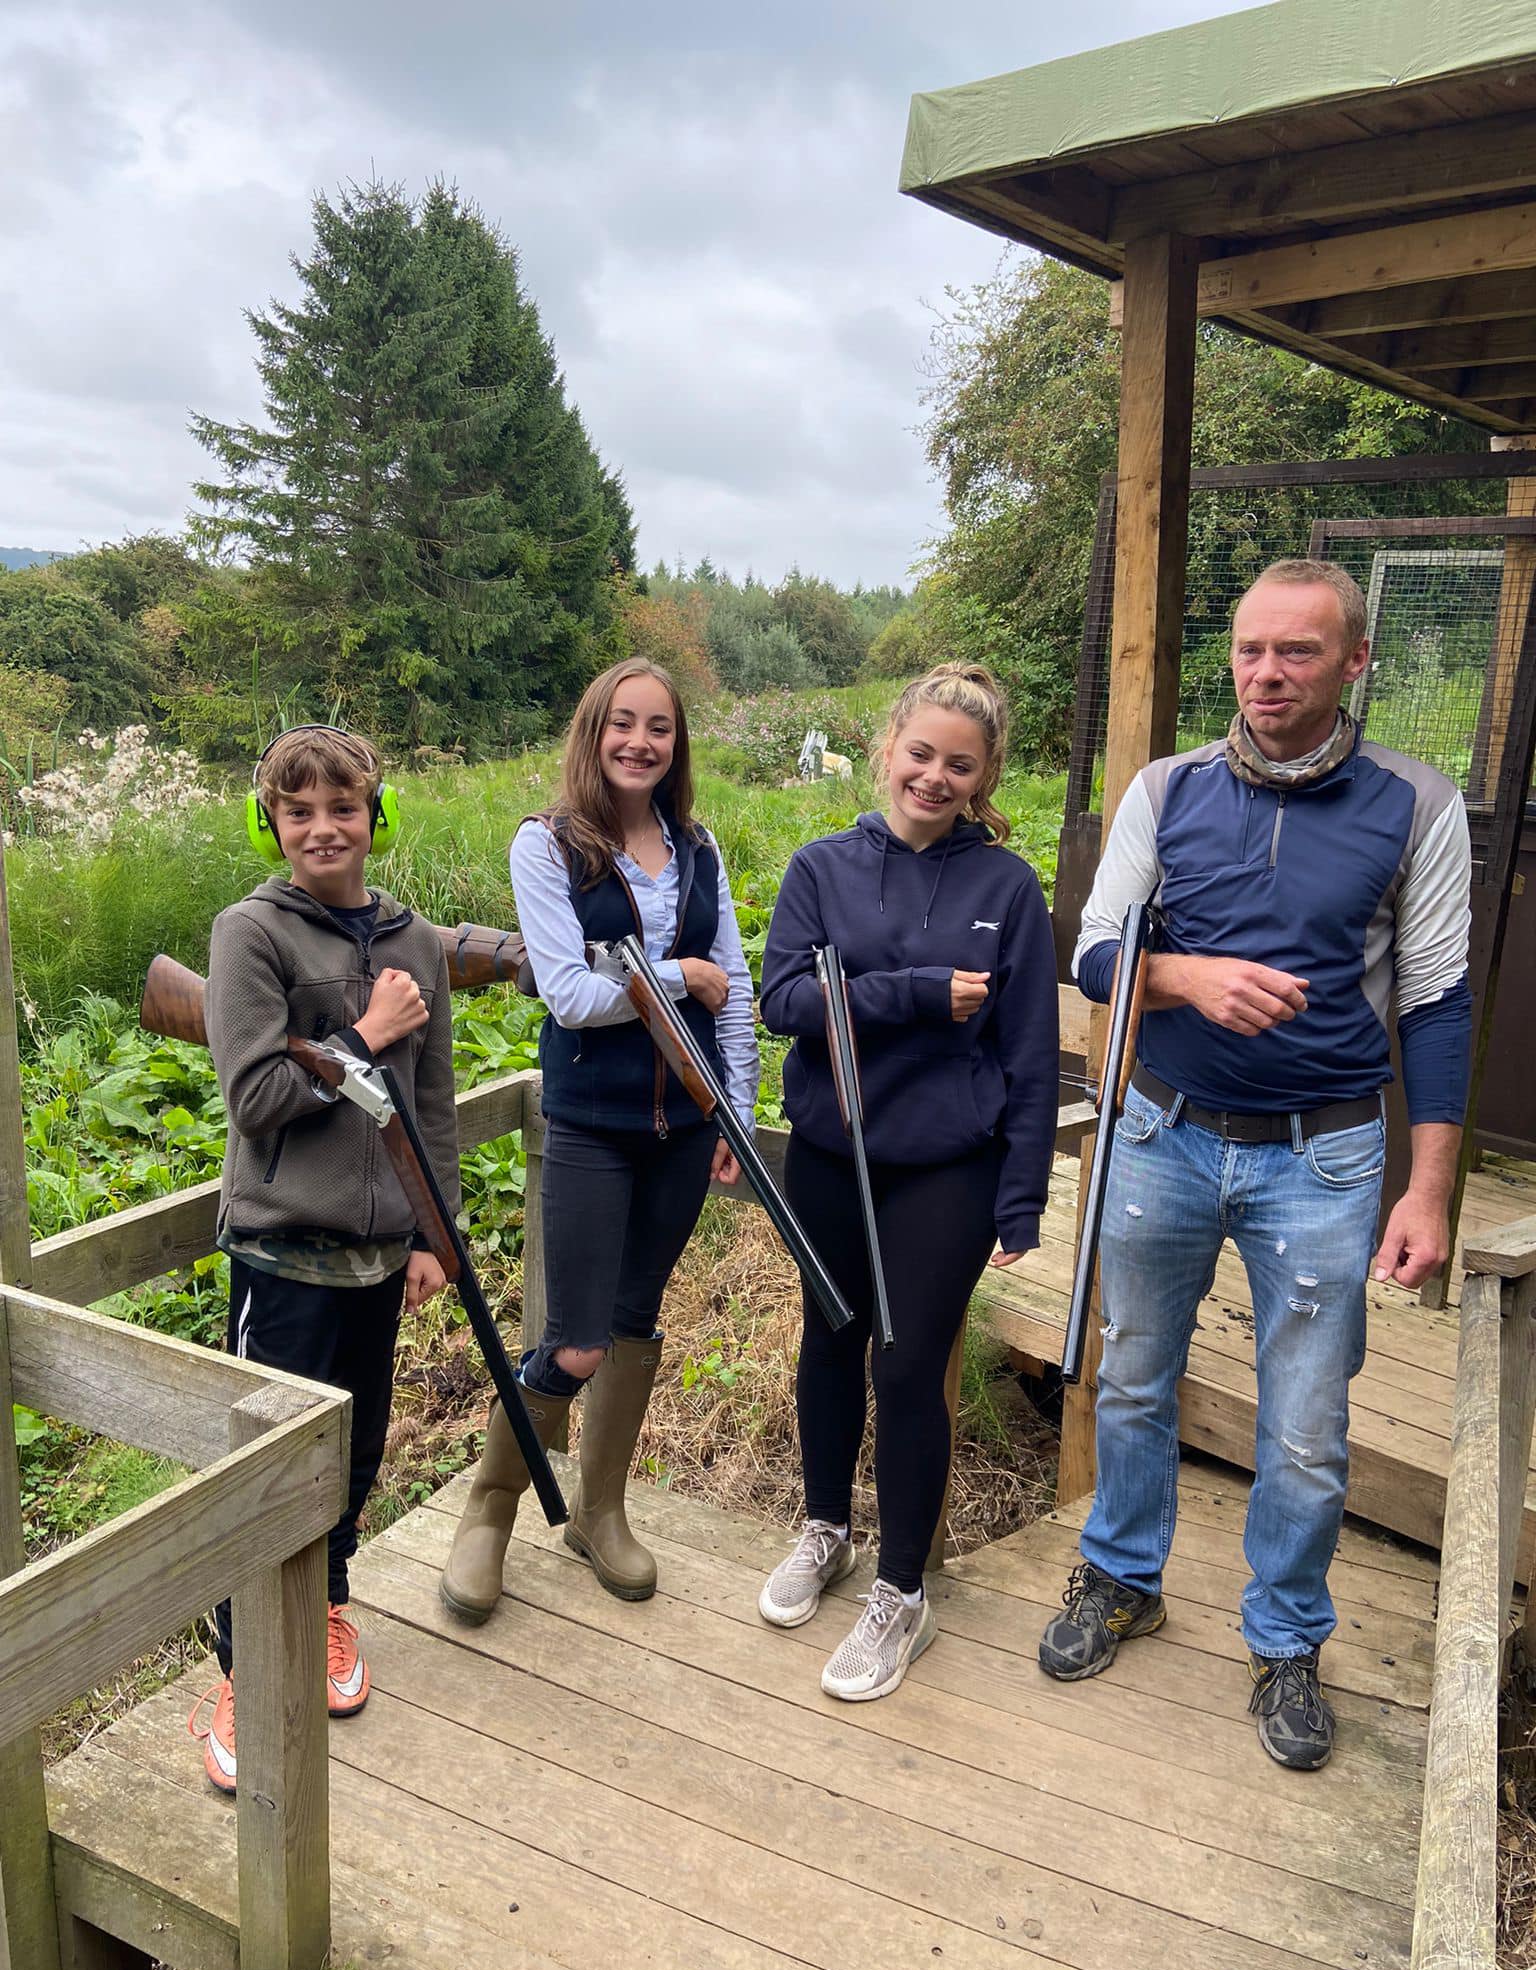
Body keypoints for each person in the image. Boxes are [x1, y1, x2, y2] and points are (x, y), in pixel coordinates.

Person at [1039, 558, 1472, 1771]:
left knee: (1308, 1423)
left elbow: (1438, 1002)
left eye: (1297, 651)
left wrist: (1428, 1186)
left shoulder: (1417, 804)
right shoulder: (1167, 789)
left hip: (1324, 1157)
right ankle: (1123, 1575)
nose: (1266, 673)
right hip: (1162, 1132)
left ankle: (1285, 1635)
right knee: (1134, 1376)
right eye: (1249, 649)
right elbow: (1096, 951)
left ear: (1355, 660)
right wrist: (1184, 977)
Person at [756, 663, 1058, 1702]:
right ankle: (827, 1529)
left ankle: (901, 1592)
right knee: (828, 1340)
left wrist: (1022, 1193)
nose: (933, 776)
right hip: (831, 1156)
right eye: (920, 753)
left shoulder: (1007, 890)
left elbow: (1029, 1048)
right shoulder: (820, 868)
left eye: (958, 765)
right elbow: (784, 1001)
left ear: (983, 778)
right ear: (888, 748)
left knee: (907, 1362)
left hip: (947, 1167)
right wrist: (916, 994)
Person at [439, 657, 758, 1621]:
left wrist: (736, 1111)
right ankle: (489, 1510)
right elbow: (572, 998)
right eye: (622, 722)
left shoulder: (698, 847)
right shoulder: (545, 845)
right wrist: (680, 977)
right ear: (593, 730)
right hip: (590, 1127)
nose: (639, 742)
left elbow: (735, 989)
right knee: (576, 1343)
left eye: (659, 727)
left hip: (684, 1128)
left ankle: (599, 1511)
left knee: (635, 1324)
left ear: (677, 743)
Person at [191, 725, 457, 1793]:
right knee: (263, 1472)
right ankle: (244, 1666)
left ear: (375, 816)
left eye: (343, 808)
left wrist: (435, 1234)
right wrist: (367, 1031)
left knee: (353, 1454)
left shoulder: (415, 939)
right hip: (282, 1251)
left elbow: (432, 1105)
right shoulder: (249, 933)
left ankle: (330, 1605)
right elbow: (257, 1097)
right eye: (297, 812)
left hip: (381, 1257)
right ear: (270, 825)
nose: (322, 829)